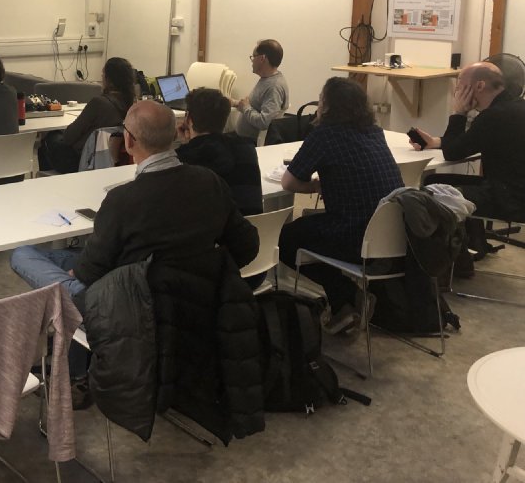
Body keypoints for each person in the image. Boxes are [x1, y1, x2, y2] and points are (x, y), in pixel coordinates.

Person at [12, 100, 259, 304]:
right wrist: (207, 278)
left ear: (128, 142)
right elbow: (248, 244)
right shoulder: (210, 182)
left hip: (129, 306)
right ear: (175, 134)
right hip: (193, 298)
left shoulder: (122, 200)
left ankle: (68, 310)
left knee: (24, 255)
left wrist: (70, 277)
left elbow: (90, 271)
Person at [279, 77, 403, 332]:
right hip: (391, 237)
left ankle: (346, 295)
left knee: (286, 238)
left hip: (355, 237)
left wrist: (313, 186)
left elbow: (288, 183)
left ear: (327, 105)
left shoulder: (325, 135)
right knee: (310, 227)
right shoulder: (375, 133)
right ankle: (342, 304)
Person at [412, 61, 525, 262]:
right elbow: (469, 142)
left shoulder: (493, 116)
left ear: (479, 86)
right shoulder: (513, 109)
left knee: (431, 192)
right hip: (512, 192)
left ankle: (444, 261)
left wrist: (458, 113)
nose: (457, 91)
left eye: (460, 85)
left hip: (508, 201)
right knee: (436, 182)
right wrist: (436, 142)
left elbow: (453, 153)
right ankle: (472, 246)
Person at [39, 56, 136, 174]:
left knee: (49, 138)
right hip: (109, 162)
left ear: (108, 79)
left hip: (82, 161)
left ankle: (48, 184)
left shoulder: (98, 103)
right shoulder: (132, 105)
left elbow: (69, 137)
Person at [177, 87, 263, 216]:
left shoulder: (183, 158)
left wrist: (186, 145)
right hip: (254, 230)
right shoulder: (246, 147)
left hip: (211, 234)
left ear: (188, 118)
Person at [232, 39, 289, 144]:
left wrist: (245, 108)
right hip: (242, 139)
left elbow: (265, 122)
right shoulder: (266, 79)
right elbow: (254, 107)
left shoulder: (274, 87)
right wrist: (235, 103)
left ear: (262, 58)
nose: (252, 60)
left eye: (253, 57)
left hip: (249, 144)